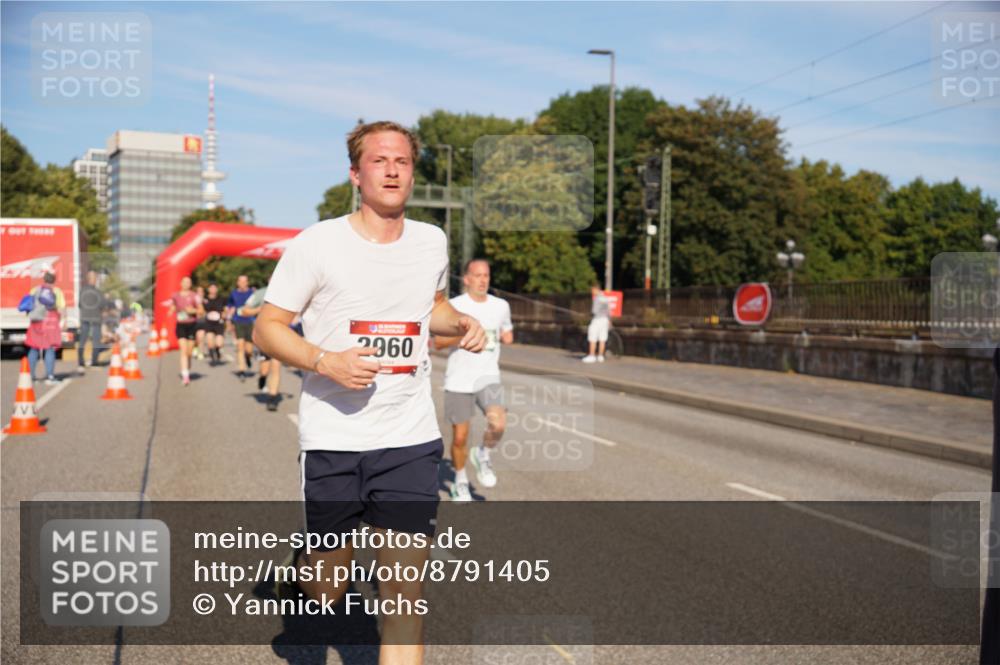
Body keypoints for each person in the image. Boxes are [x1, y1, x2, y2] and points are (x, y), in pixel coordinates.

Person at [253, 120, 485, 665]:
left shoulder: (431, 241)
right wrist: (323, 360)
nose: (392, 169)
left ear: (412, 173)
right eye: (379, 161)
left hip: (408, 437)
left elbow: (431, 309)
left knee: (405, 593)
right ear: (355, 174)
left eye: (402, 161)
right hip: (334, 436)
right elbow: (267, 328)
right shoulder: (318, 244)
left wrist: (462, 324)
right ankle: (303, 576)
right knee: (329, 589)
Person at [435, 259, 513, 502]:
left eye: (486, 276)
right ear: (466, 279)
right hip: (459, 380)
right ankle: (460, 481)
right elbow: (438, 341)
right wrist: (465, 334)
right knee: (459, 438)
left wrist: (506, 336)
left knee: (498, 425)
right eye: (477, 275)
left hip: (488, 377)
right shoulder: (455, 306)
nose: (482, 280)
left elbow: (506, 333)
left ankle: (483, 453)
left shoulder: (501, 306)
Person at [239, 286, 283, 411]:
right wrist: (260, 309)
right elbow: (244, 310)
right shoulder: (261, 293)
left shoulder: (288, 291)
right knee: (264, 369)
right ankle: (262, 378)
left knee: (275, 365)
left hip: (281, 335)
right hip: (263, 335)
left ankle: (272, 398)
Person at [25, 267, 66, 385]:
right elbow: (62, 308)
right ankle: (50, 376)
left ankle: (31, 376)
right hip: (51, 322)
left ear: (44, 279)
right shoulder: (57, 291)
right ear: (54, 279)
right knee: (50, 348)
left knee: (34, 347)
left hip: (36, 322)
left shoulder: (34, 290)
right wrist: (64, 321)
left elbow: (28, 305)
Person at [168, 276, 202, 386]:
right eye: (185, 282)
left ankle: (187, 369)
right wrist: (171, 310)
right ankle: (185, 375)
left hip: (192, 324)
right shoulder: (175, 296)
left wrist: (193, 310)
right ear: (181, 283)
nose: (186, 284)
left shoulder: (194, 296)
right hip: (181, 325)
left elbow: (201, 311)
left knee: (189, 352)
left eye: (189, 282)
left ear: (190, 284)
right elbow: (173, 306)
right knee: (183, 350)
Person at [226, 275, 256, 380]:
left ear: (247, 282)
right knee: (240, 346)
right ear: (237, 282)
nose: (242, 283)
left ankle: (248, 357)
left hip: (250, 322)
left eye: (244, 281)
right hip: (238, 321)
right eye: (240, 281)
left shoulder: (252, 293)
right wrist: (228, 321)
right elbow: (230, 307)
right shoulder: (234, 293)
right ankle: (242, 370)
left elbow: (257, 306)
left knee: (249, 349)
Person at [76, 270, 106, 373]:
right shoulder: (98, 292)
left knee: (82, 341)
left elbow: (79, 304)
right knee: (96, 341)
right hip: (96, 319)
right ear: (93, 280)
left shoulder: (82, 291)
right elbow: (102, 305)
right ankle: (94, 362)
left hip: (85, 318)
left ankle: (81, 362)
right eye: (95, 278)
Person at [582, 283, 611, 363]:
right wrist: (609, 320)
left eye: (592, 290)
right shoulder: (605, 298)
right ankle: (600, 356)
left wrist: (587, 315)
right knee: (602, 339)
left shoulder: (597, 298)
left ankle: (592, 355)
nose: (592, 292)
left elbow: (594, 311)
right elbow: (609, 311)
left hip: (597, 320)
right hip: (605, 320)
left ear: (595, 289)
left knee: (592, 337)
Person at [201, 283, 227, 365]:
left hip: (219, 323)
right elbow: (201, 310)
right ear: (208, 289)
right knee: (210, 341)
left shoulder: (221, 299)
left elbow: (225, 309)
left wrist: (224, 314)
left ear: (217, 289)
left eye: (214, 288)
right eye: (211, 288)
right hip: (209, 323)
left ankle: (217, 350)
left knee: (219, 343)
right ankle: (212, 356)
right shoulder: (204, 300)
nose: (213, 290)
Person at [193, 285, 207, 361]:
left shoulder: (206, 301)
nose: (200, 293)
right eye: (198, 291)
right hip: (194, 322)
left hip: (203, 321)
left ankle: (200, 352)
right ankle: (195, 347)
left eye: (201, 292)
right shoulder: (193, 301)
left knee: (201, 337)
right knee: (196, 338)